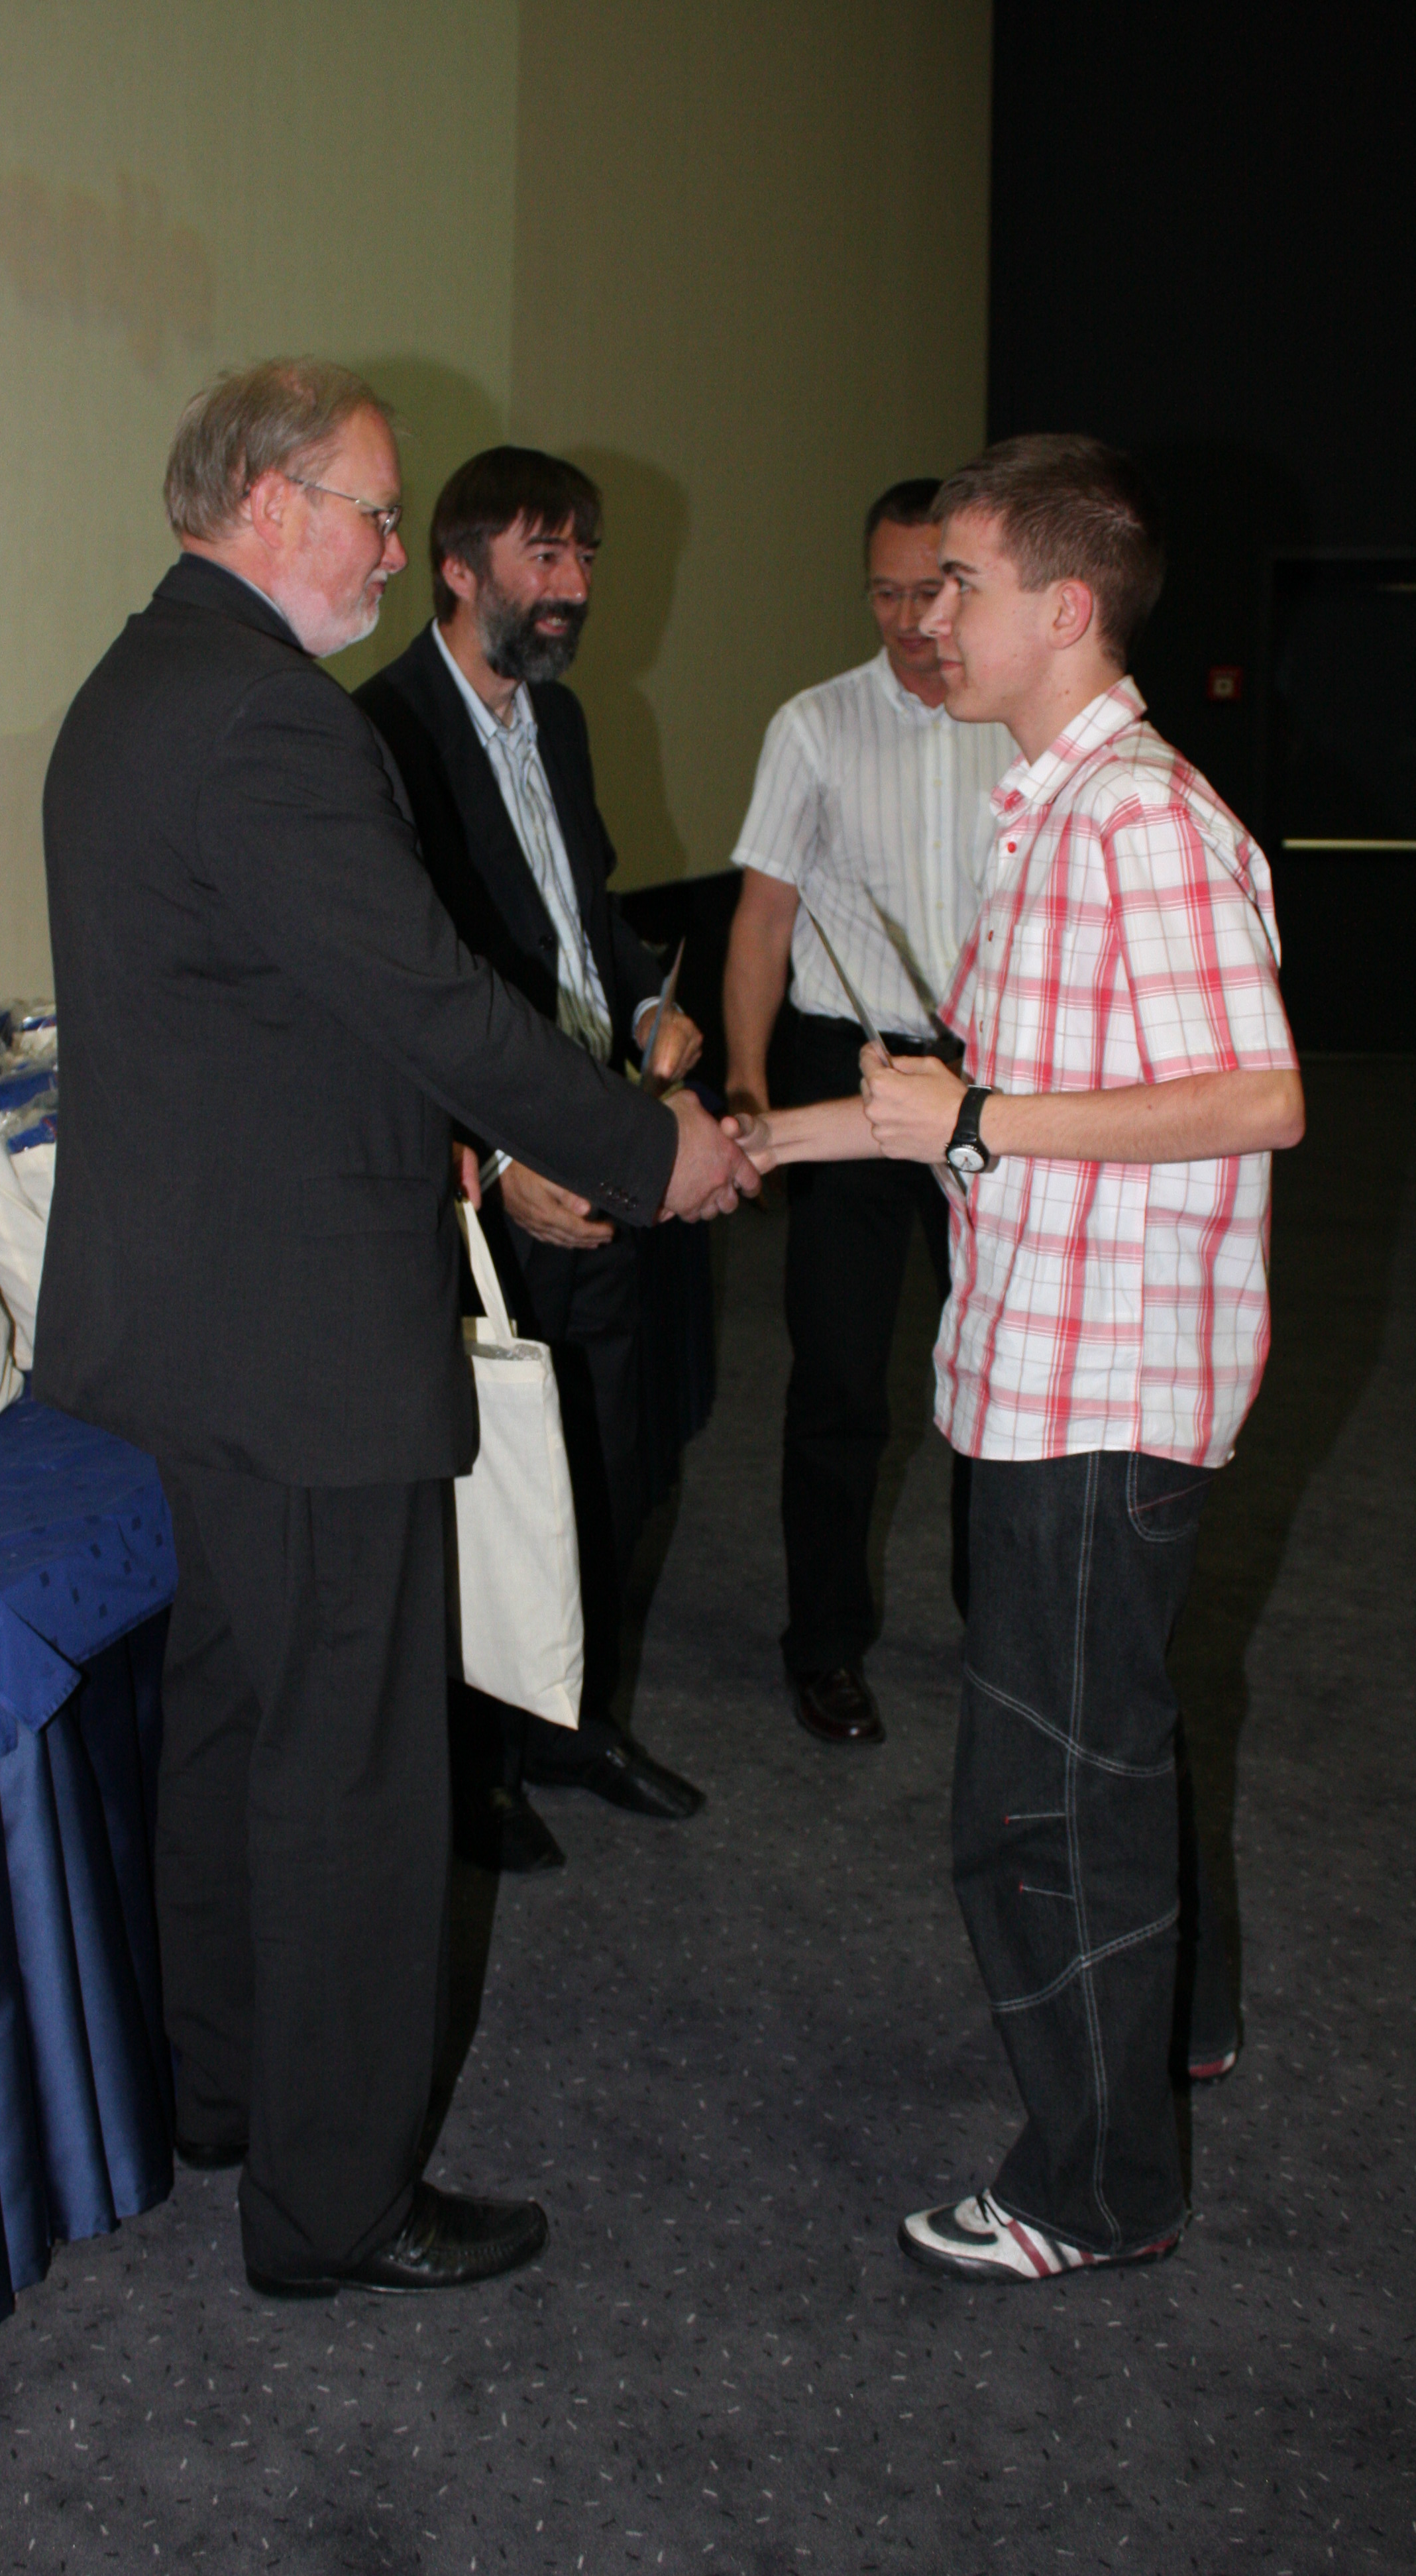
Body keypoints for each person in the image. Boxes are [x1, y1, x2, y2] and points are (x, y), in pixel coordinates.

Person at [36, 361, 757, 2300]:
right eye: (370, 509)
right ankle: (335, 2204)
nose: (386, 547)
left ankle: (223, 2099)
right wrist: (649, 1151)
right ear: (272, 503)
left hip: (185, 1331)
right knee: (351, 1775)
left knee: (230, 1724)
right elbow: (429, 1001)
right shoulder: (271, 720)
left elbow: (283, 1018)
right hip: (299, 1346)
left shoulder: (136, 689)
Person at [730, 434, 1303, 2282]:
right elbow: (950, 1106)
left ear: (1065, 610)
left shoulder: (1140, 819)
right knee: (1107, 1746)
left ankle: (1096, 2187)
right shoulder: (1046, 809)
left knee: (1041, 1805)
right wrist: (749, 1143)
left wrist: (981, 1118)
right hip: (1050, 1368)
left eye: (961, 584)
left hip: (1100, 1390)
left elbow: (1258, 1095)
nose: (929, 619)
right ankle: (1170, 2034)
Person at [356, 448, 707, 1874]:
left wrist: (648, 1001)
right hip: (487, 1184)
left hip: (600, 1136)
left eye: (584, 559)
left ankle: (572, 1723)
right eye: (543, 557)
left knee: (609, 1461)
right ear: (457, 567)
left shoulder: (558, 720)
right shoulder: (380, 733)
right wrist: (496, 1161)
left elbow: (585, 912)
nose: (572, 587)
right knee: (492, 1483)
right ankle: (475, 1772)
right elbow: (406, 991)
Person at [722, 482, 1012, 1748]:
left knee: (998, 1374)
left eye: (927, 591)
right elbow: (762, 922)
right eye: (883, 593)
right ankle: (825, 1645)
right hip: (848, 1064)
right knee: (839, 1378)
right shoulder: (815, 726)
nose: (906, 619)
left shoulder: (1015, 721)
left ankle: (1001, 1630)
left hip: (991, 1078)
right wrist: (749, 1088)